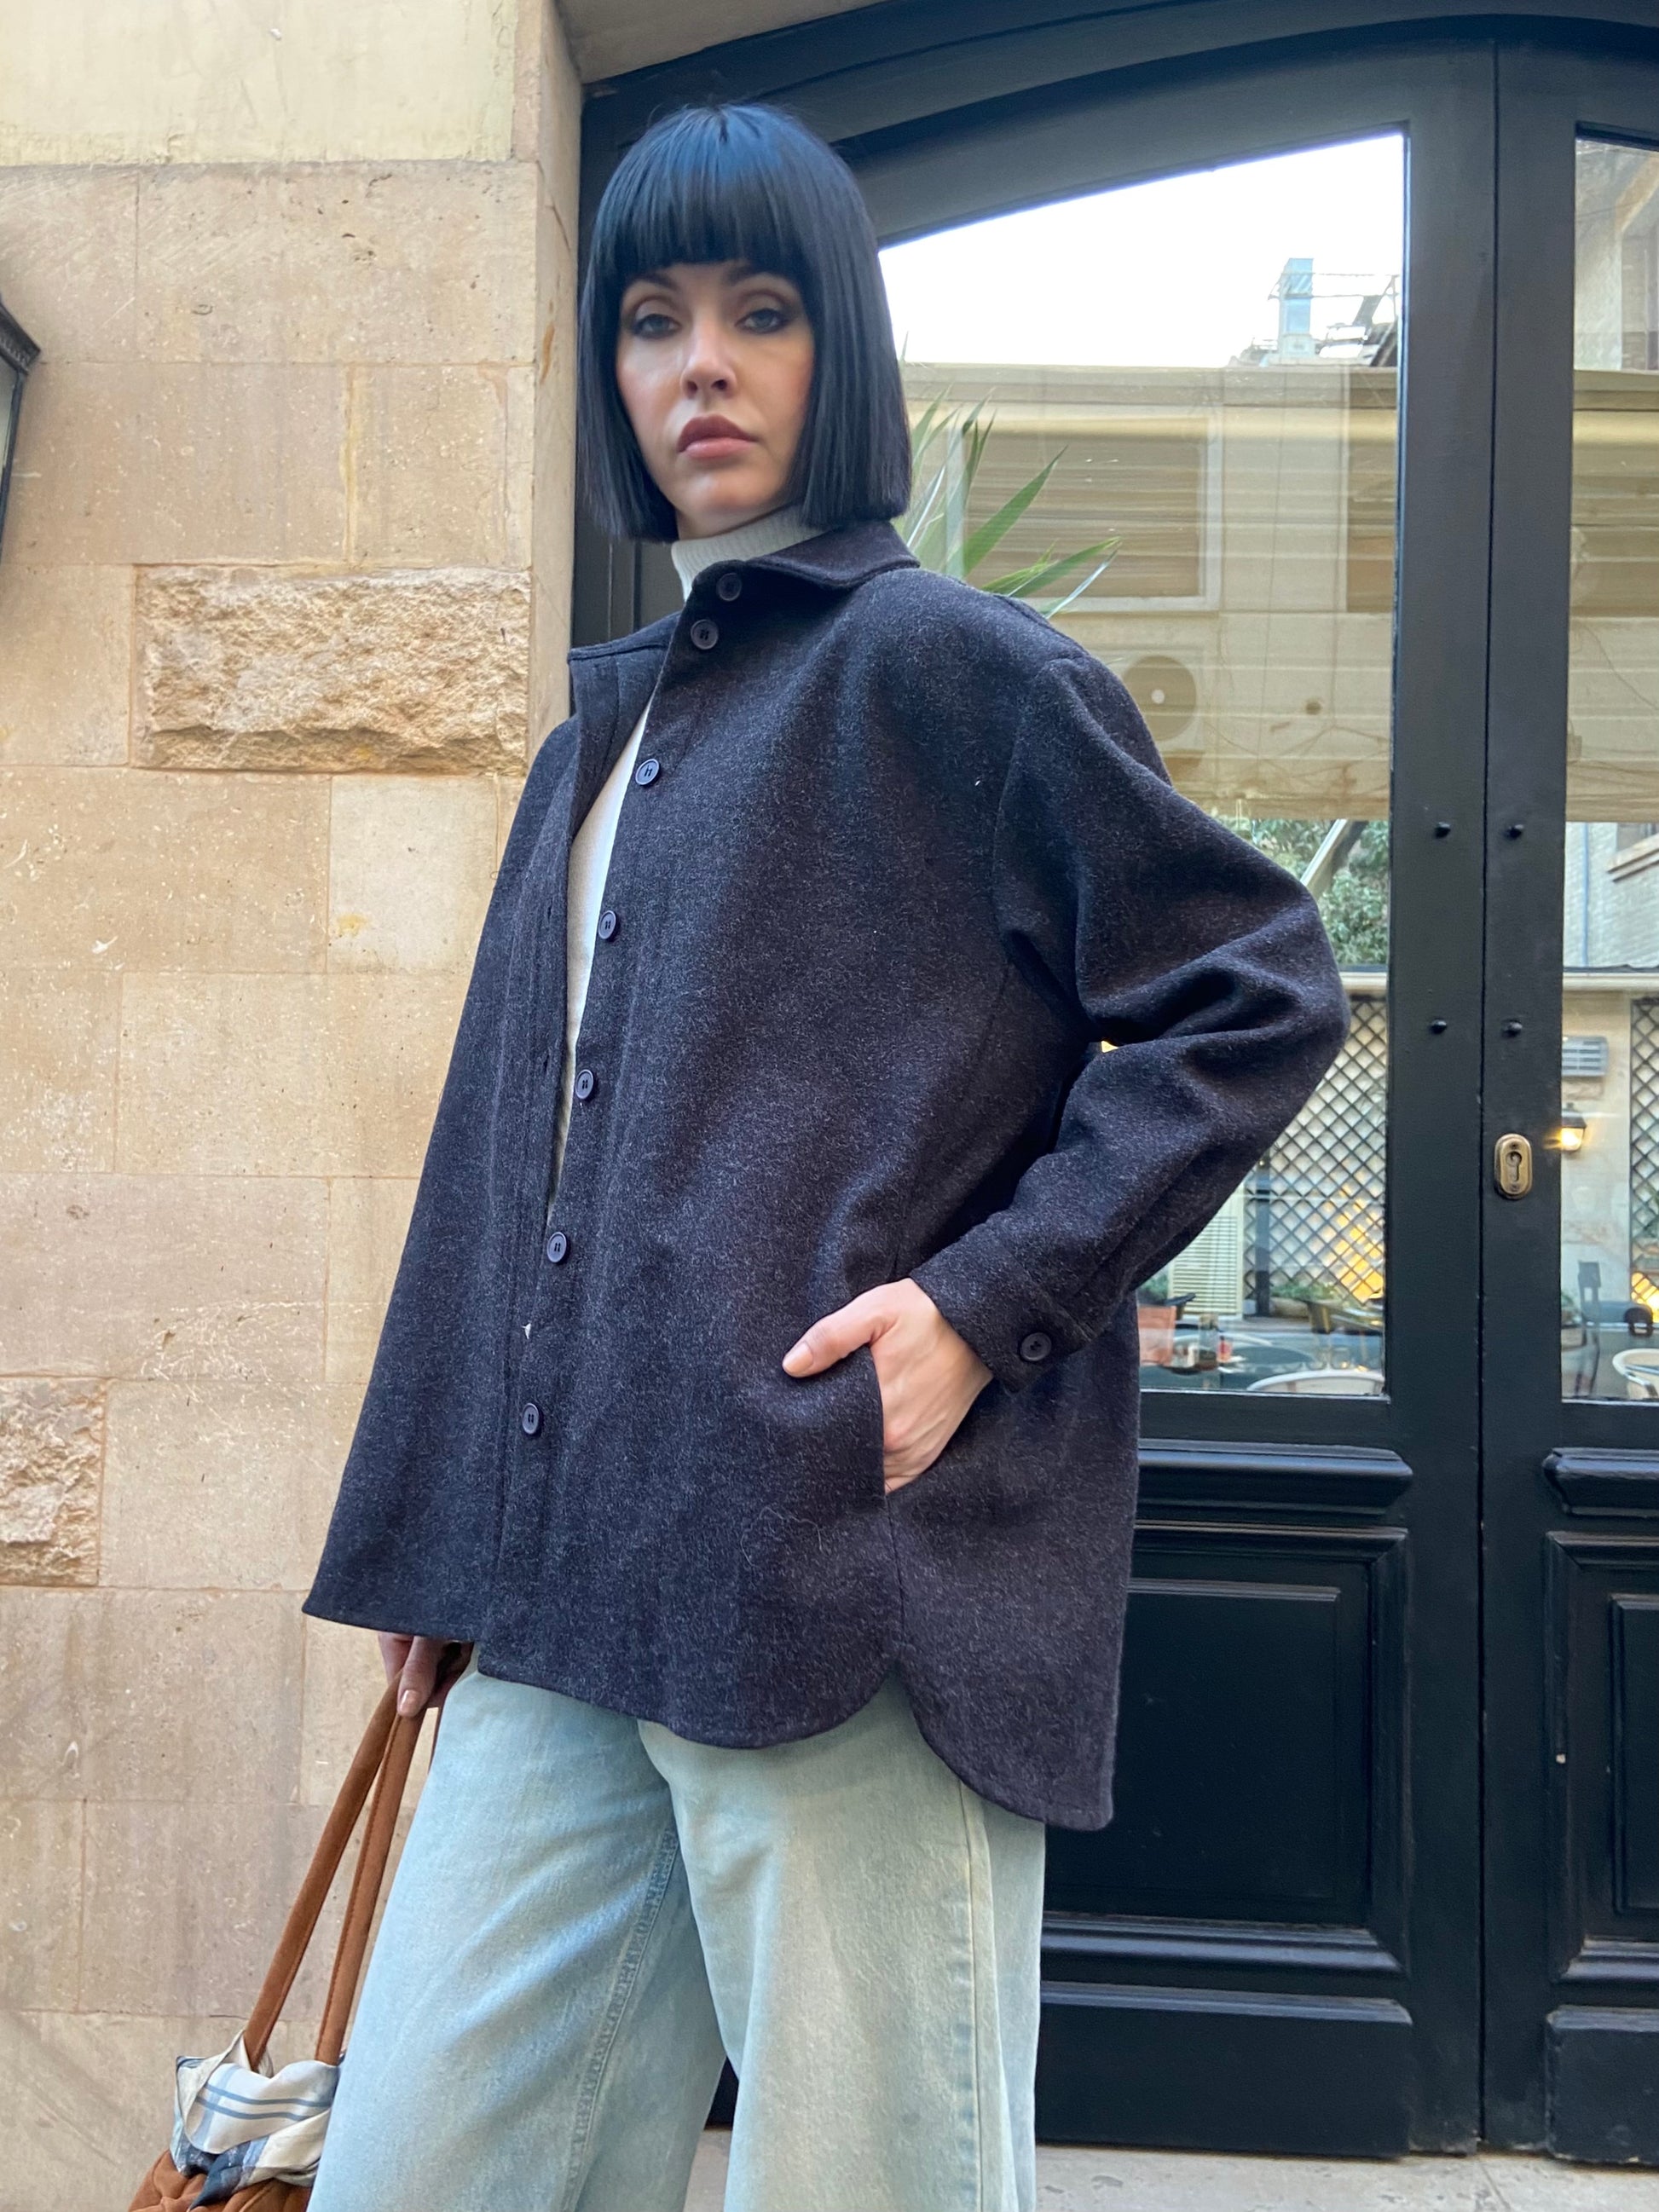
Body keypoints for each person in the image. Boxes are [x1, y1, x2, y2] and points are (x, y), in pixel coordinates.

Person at [303, 99, 1349, 2212]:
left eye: (760, 312)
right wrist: (446, 1531)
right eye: (653, 320)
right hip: (564, 1605)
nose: (701, 364)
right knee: (419, 2164)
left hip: (842, 1584)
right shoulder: (594, 742)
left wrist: (976, 1308)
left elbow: (1254, 992)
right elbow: (503, 1165)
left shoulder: (954, 670)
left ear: (835, 352)